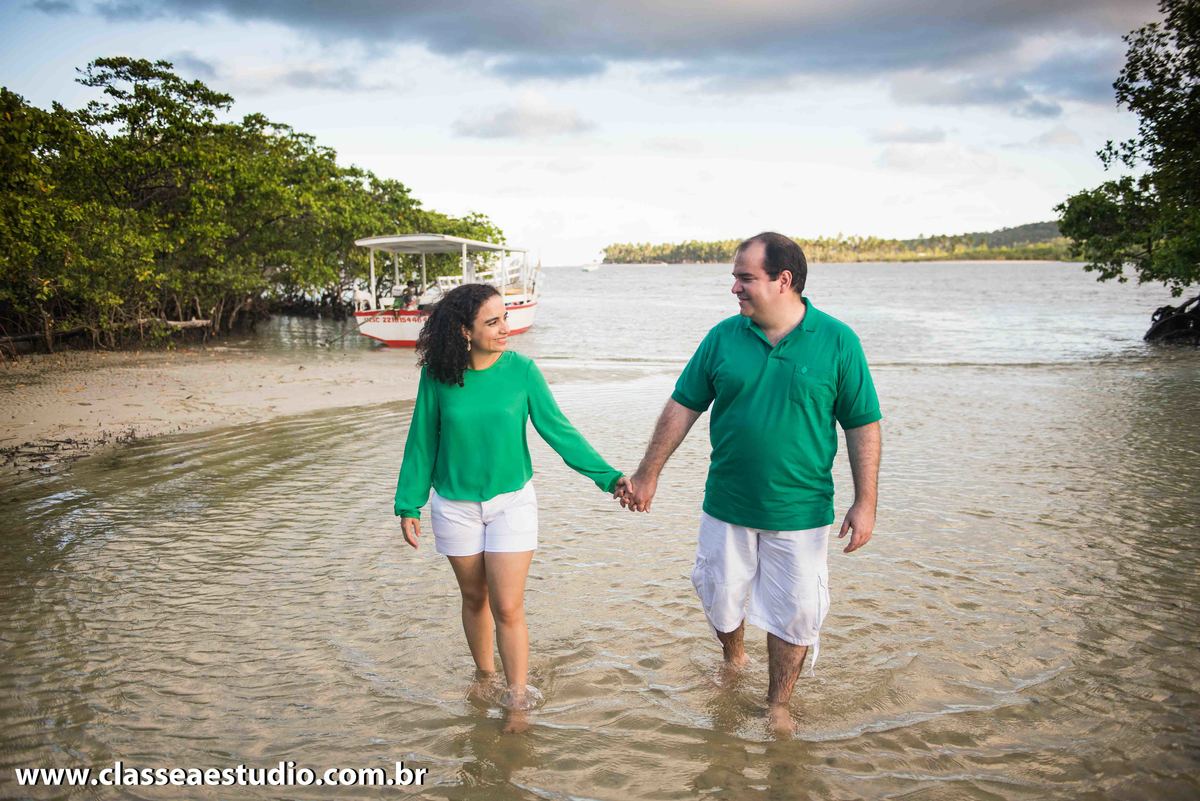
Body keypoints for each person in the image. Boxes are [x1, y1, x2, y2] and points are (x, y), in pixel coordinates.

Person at [622, 232, 882, 735]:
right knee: (721, 596)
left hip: (802, 510)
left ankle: (778, 703)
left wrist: (865, 501)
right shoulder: (722, 337)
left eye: (745, 278)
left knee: (797, 611)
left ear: (783, 281)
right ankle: (734, 657)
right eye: (735, 278)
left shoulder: (837, 341)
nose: (735, 288)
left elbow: (862, 424)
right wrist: (647, 473)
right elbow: (683, 406)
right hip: (727, 504)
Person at [394, 282, 633, 732]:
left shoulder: (522, 371)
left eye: (505, 317)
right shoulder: (439, 375)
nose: (506, 328)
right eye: (493, 321)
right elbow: (422, 440)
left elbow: (559, 432)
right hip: (455, 505)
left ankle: (517, 697)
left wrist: (610, 478)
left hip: (511, 504)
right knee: (474, 597)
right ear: (464, 330)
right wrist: (409, 503)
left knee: (507, 605)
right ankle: (484, 677)